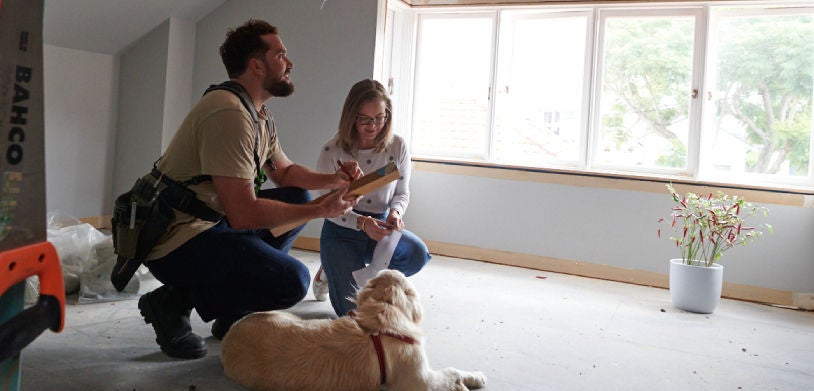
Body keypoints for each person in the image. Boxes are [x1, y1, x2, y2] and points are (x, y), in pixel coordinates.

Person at [135, 19, 361, 360]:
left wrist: (335, 181)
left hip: (212, 221)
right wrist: (319, 210)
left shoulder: (257, 112)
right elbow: (242, 214)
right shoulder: (228, 114)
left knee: (296, 195)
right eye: (281, 54)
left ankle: (233, 307)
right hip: (177, 238)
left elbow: (284, 173)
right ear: (257, 65)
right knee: (292, 281)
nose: (290, 63)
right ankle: (171, 302)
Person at [313, 79, 431, 317]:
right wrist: (362, 223)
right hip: (341, 229)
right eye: (365, 118)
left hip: (381, 226)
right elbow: (327, 206)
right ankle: (331, 267)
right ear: (351, 116)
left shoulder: (397, 146)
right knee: (353, 313)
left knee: (417, 253)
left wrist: (396, 213)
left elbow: (401, 192)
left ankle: (355, 272)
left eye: (380, 117)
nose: (373, 125)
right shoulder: (332, 150)